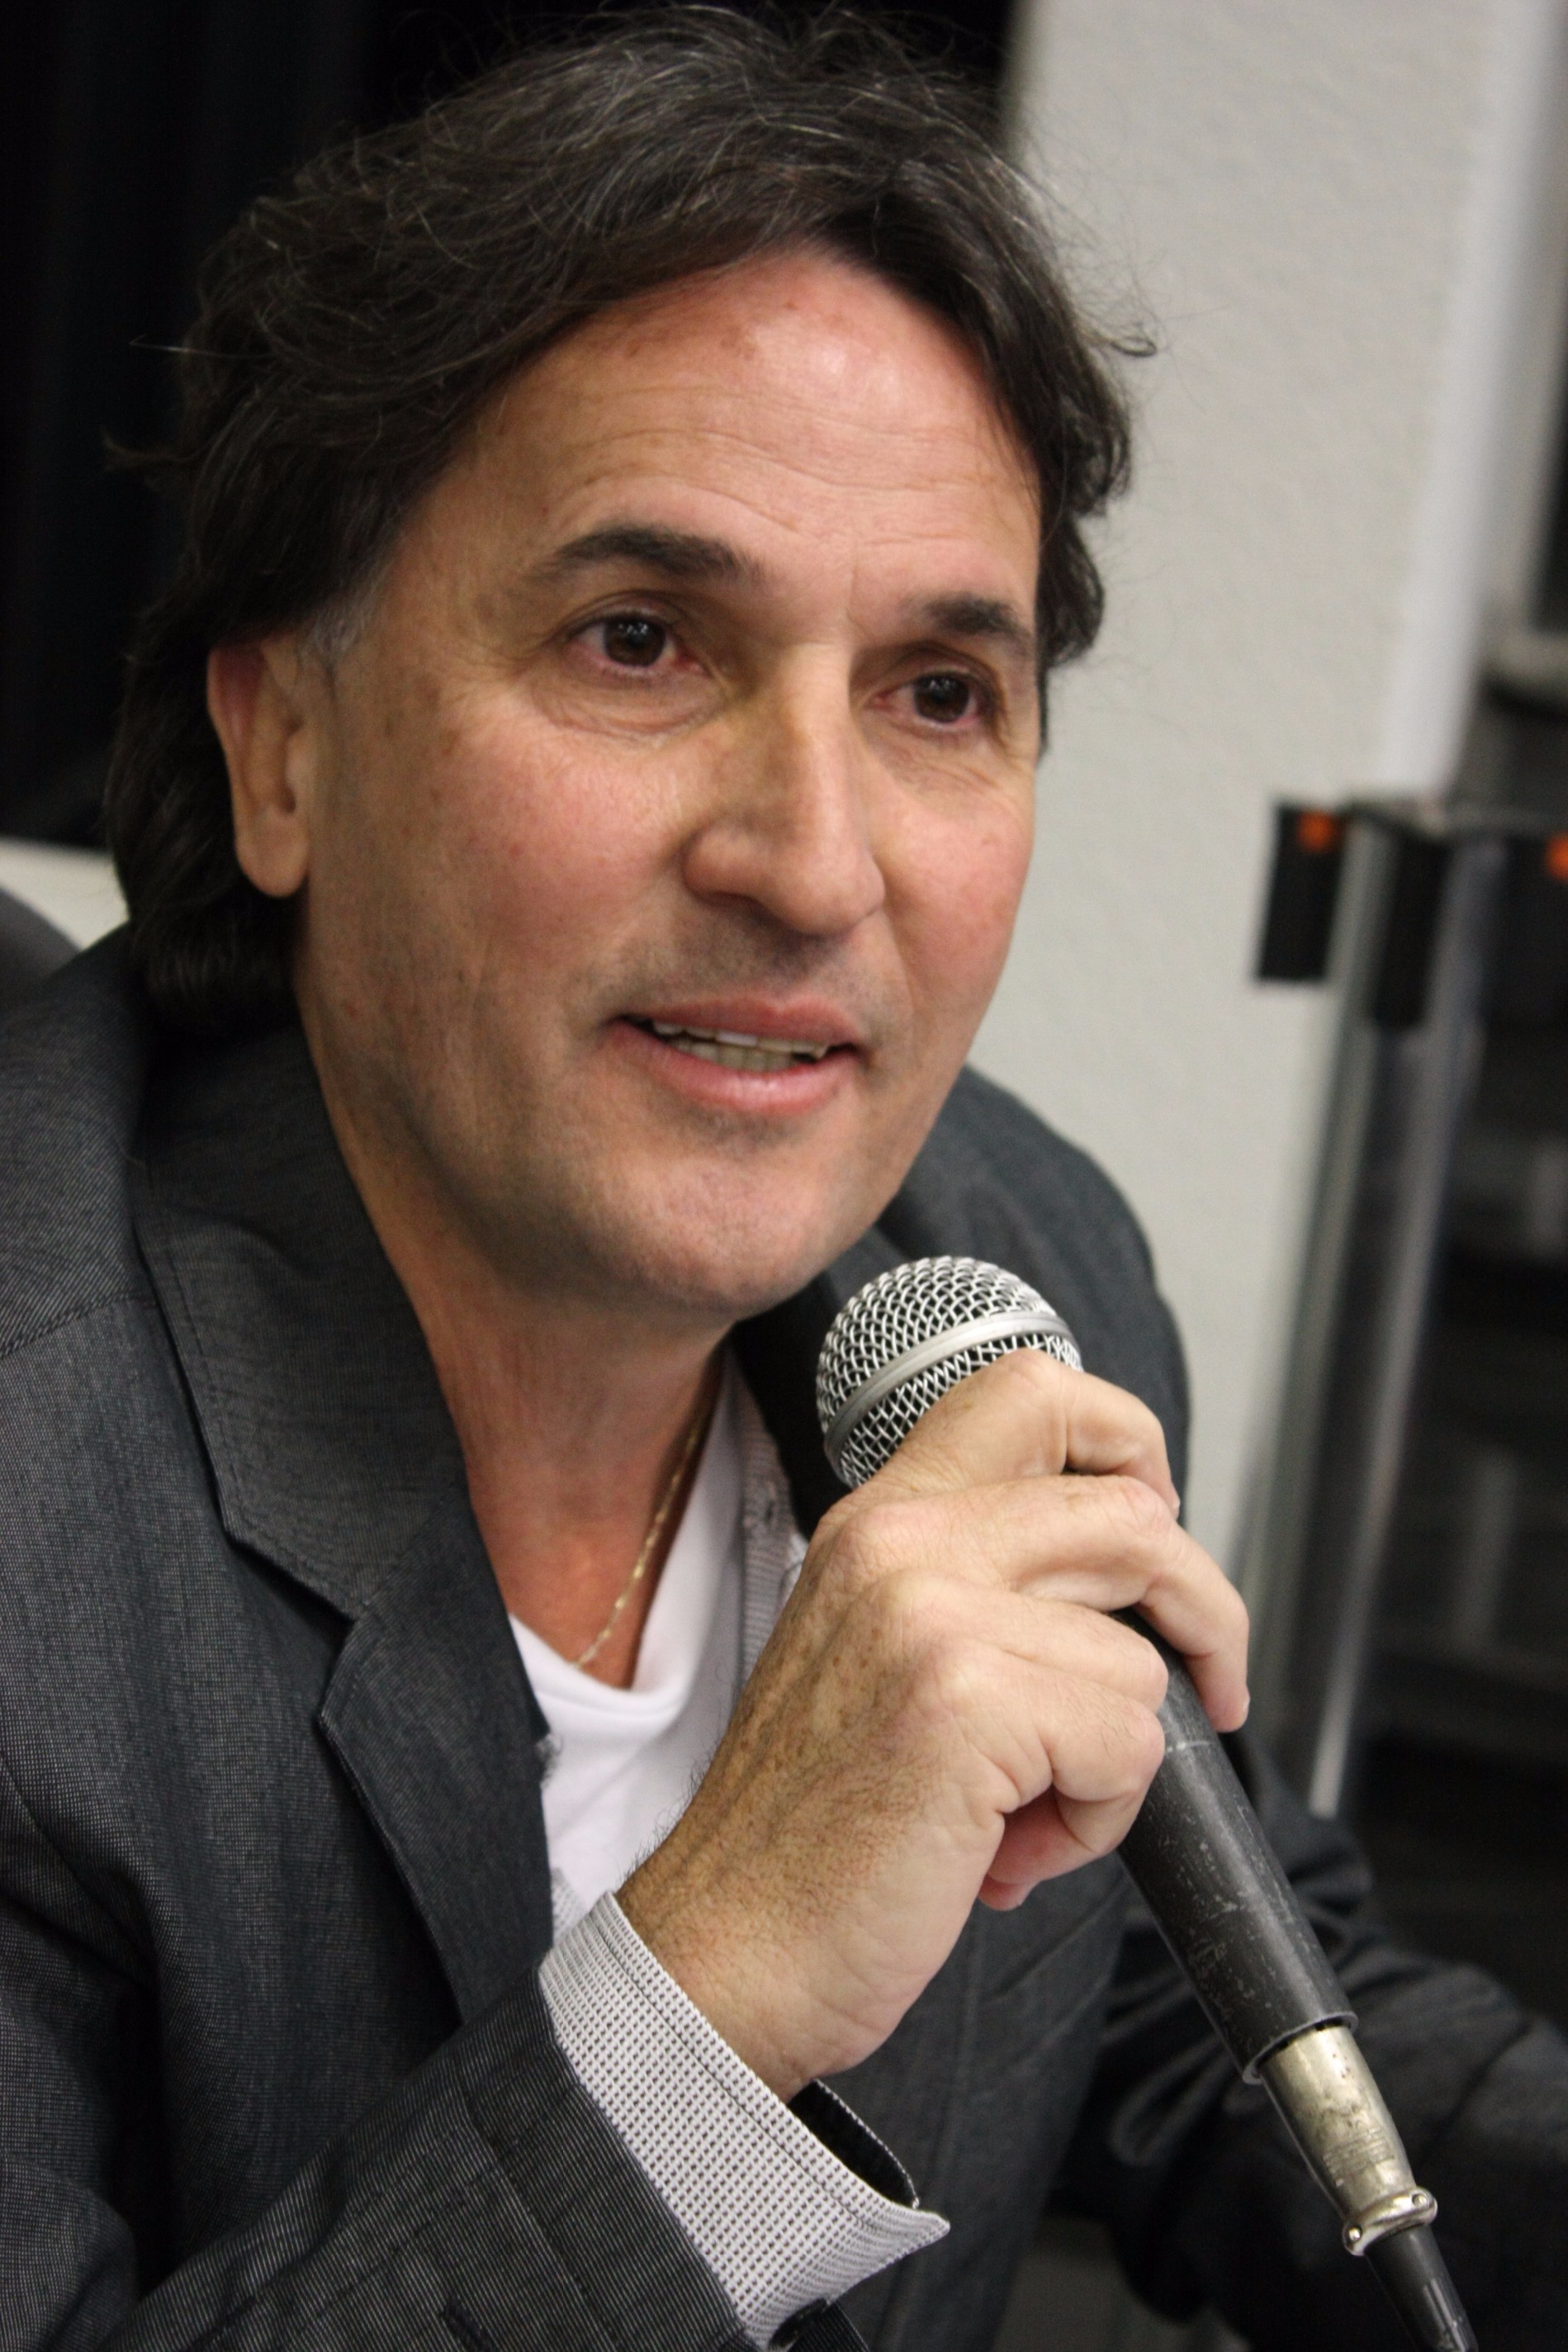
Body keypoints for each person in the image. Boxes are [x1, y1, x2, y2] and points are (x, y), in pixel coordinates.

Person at [2, 12, 1563, 2350]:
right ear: (285, 746)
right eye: (640, 643)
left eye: (938, 692)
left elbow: (1199, 1998)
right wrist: (709, 2005)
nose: (815, 865)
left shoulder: (1001, 1264)